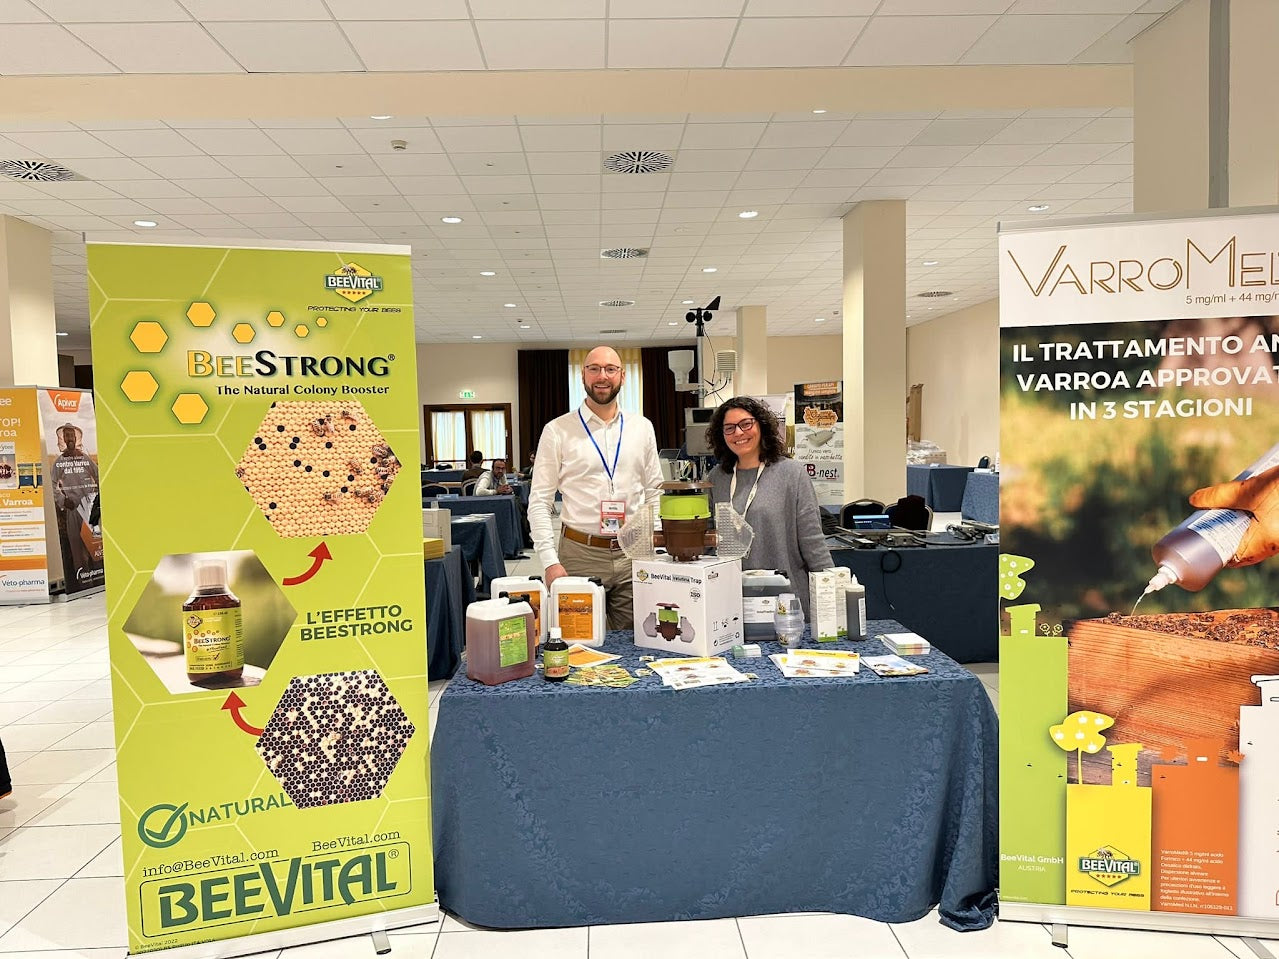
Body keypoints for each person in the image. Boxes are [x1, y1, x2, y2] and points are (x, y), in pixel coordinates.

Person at [528, 346, 663, 629]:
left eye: (610, 369)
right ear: (583, 375)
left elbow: (654, 491)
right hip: (580, 553)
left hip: (632, 553)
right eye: (594, 369)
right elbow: (539, 500)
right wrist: (550, 561)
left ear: (623, 376)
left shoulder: (642, 427)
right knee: (578, 641)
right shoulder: (557, 430)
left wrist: (653, 544)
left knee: (634, 639)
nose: (602, 376)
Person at [707, 397, 833, 620]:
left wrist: (832, 597)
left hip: (785, 601)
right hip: (732, 602)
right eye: (729, 428)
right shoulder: (716, 478)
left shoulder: (792, 474)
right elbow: (709, 542)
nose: (738, 433)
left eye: (746, 424)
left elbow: (813, 541)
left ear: (761, 425)